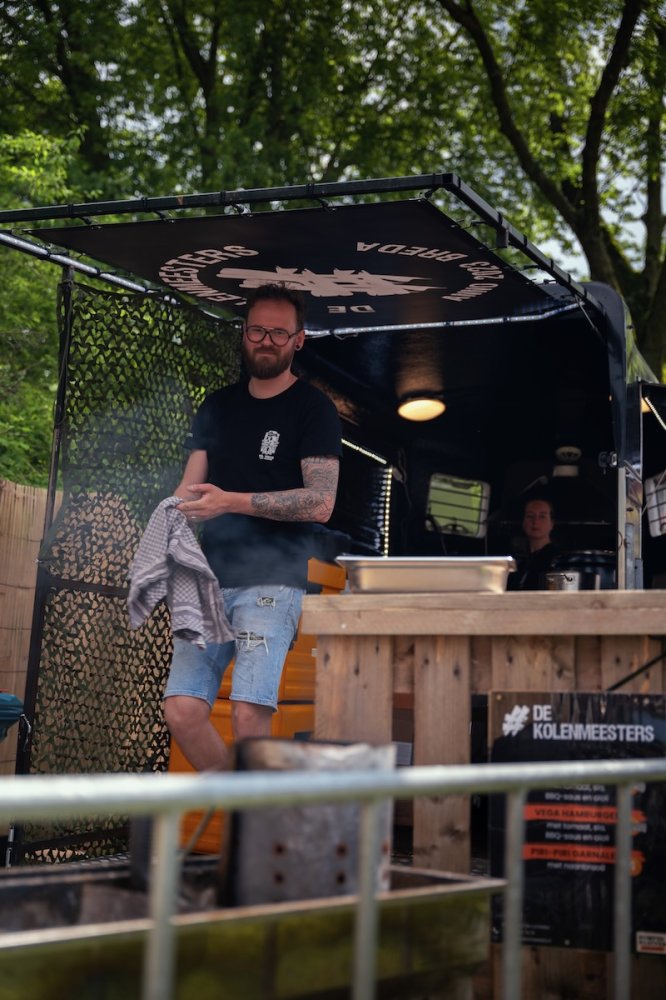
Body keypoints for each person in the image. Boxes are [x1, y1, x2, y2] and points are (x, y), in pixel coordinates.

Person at [164, 282, 342, 771]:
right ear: (244, 333)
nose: (266, 341)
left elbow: (321, 502)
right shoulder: (217, 405)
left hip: (273, 583)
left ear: (299, 340)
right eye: (257, 330)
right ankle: (241, 807)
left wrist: (231, 502)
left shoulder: (314, 409)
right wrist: (163, 542)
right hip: (207, 581)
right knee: (182, 712)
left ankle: (251, 818)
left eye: (279, 333)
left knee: (248, 717)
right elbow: (188, 490)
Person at [507, 496, 559, 591]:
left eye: (542, 516)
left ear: (552, 523)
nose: (535, 521)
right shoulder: (519, 562)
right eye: (530, 516)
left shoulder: (557, 560)